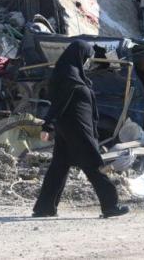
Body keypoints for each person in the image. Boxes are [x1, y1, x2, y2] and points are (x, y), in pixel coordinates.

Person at [32, 40, 129, 219]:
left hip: (70, 129)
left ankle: (44, 207)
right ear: (79, 55)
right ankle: (110, 205)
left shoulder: (74, 73)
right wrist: (47, 125)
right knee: (94, 164)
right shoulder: (68, 74)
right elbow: (58, 103)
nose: (87, 61)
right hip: (76, 129)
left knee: (59, 167)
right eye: (86, 57)